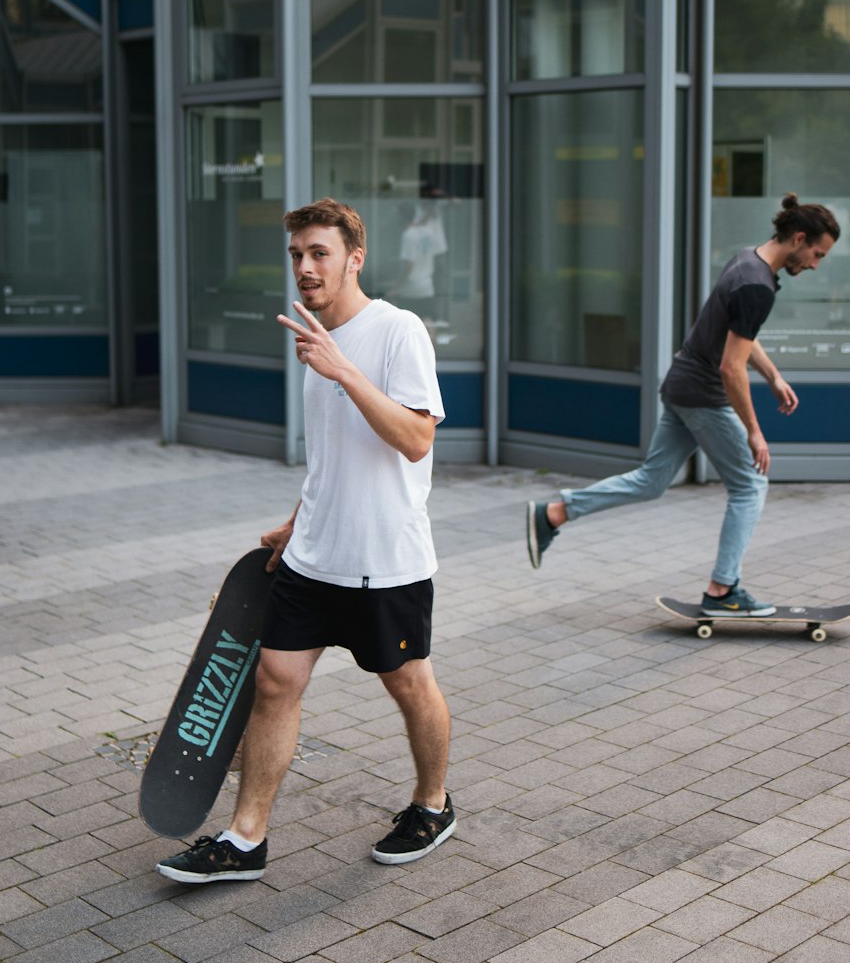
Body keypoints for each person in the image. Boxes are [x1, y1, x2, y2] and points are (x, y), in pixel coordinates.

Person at [157, 197, 453, 885]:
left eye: (319, 253)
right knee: (275, 682)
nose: (305, 267)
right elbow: (332, 456)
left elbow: (416, 439)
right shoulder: (316, 338)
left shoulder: (395, 331)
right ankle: (245, 836)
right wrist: (300, 518)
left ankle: (432, 804)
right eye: (296, 255)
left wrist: (342, 370)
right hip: (315, 554)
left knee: (410, 685)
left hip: (386, 561)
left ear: (355, 258)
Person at [526, 193, 841, 615]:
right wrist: (754, 432)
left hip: (681, 384)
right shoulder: (756, 285)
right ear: (799, 238)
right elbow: (731, 368)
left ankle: (554, 513)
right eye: (817, 254)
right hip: (703, 395)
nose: (816, 264)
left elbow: (740, 339)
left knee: (651, 480)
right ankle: (722, 591)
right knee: (751, 485)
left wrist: (773, 375)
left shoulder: (747, 260)